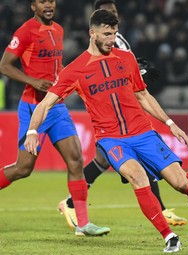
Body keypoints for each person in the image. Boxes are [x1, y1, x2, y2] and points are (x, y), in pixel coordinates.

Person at [25, 9, 188, 252]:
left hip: (143, 133)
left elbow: (143, 96)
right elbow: (45, 104)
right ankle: (169, 237)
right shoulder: (74, 70)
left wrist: (170, 123)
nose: (112, 39)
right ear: (92, 33)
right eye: (107, 34)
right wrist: (32, 132)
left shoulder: (126, 59)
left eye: (115, 33)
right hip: (111, 139)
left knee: (180, 182)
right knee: (138, 178)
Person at [58, 0, 187, 230]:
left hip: (123, 113)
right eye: (108, 14)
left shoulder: (119, 39)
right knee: (129, 163)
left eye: (115, 14)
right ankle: (71, 204)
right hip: (111, 115)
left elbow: (123, 67)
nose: (113, 18)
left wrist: (141, 72)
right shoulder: (101, 41)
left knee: (103, 162)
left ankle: (70, 203)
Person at [0, 0, 109, 236]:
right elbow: (5, 66)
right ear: (33, 6)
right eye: (42, 1)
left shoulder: (58, 29)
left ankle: (83, 224)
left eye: (51, 0)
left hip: (56, 107)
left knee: (76, 160)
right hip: (33, 107)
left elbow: (55, 68)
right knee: (23, 169)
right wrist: (32, 81)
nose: (48, 4)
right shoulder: (25, 31)